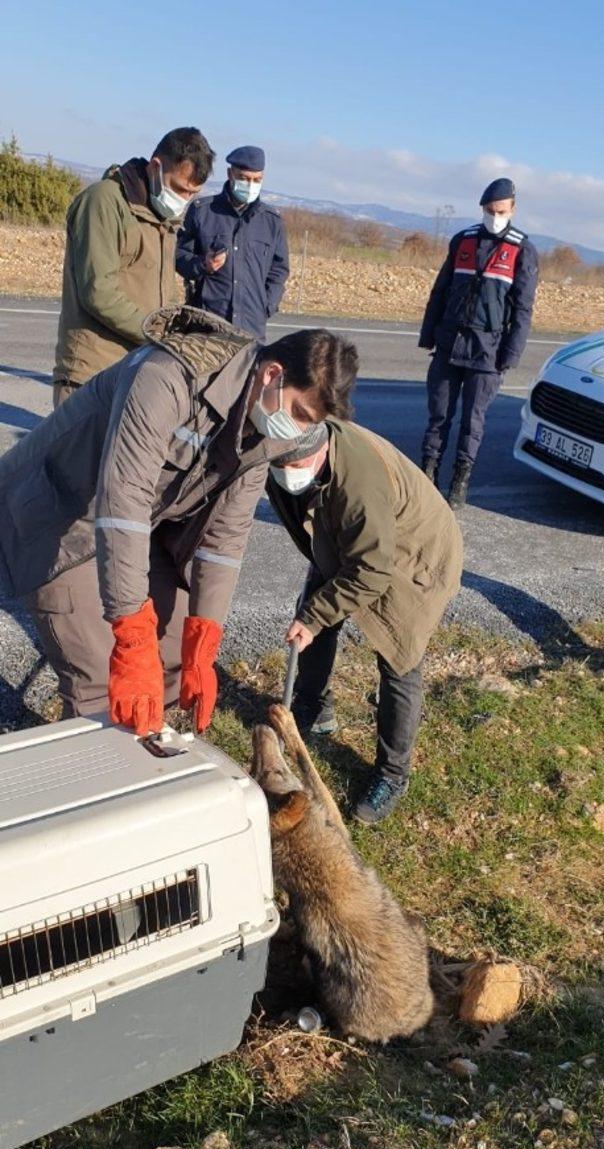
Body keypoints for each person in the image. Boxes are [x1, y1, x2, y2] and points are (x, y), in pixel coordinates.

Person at [0, 311, 357, 734]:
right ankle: (98, 776)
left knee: (172, 657)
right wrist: (130, 633)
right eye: (298, 411)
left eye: (308, 423)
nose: (296, 430)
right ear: (272, 374)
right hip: (59, 517)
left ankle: (150, 762)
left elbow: (225, 538)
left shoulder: (271, 432)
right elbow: (123, 500)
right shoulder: (166, 376)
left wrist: (203, 639)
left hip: (137, 525)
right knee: (103, 677)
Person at [267, 425, 463, 825]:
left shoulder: (359, 484)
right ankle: (315, 708)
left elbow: (373, 570)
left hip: (413, 555)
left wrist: (316, 613)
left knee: (399, 658)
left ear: (322, 450)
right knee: (312, 616)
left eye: (296, 463)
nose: (287, 470)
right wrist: (317, 606)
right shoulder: (288, 464)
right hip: (352, 540)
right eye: (280, 463)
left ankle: (393, 774)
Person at [53, 127, 214, 405]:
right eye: (178, 188)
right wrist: (161, 335)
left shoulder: (162, 218)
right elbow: (99, 293)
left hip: (136, 370)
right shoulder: (103, 201)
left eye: (192, 194)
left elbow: (163, 295)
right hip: (92, 374)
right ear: (155, 167)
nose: (183, 200)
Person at [419, 177, 539, 507]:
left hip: (488, 353)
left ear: (512, 208)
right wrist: (428, 334)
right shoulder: (463, 240)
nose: (494, 216)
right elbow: (440, 291)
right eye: (489, 210)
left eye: (500, 210)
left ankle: (460, 480)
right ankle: (427, 473)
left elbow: (524, 308)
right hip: (449, 343)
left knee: (473, 421)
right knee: (438, 416)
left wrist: (509, 356)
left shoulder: (522, 250)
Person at [176, 146, 289, 341]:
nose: (250, 184)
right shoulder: (203, 212)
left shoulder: (272, 222)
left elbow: (279, 270)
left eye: (256, 180)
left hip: (251, 328)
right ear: (230, 174)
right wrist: (203, 265)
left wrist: (267, 305)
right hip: (207, 325)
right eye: (244, 178)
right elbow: (178, 255)